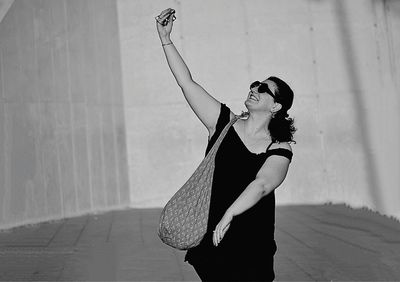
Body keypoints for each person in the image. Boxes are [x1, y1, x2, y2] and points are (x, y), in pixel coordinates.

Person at [156, 8, 296, 282]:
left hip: (253, 245)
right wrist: (165, 39)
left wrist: (229, 214)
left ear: (276, 106)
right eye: (255, 84)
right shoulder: (222, 123)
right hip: (213, 241)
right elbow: (186, 83)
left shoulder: (280, 147)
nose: (255, 89)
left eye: (264, 89)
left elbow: (263, 184)